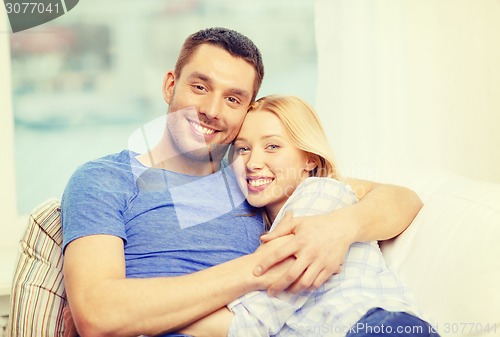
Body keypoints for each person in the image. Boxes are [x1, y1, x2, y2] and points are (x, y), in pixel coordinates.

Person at [61, 27, 423, 337]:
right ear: (171, 85)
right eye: (200, 87)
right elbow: (97, 314)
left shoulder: (254, 180)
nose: (213, 110)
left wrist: (341, 227)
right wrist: (263, 267)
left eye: (233, 98)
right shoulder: (105, 180)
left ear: (246, 109)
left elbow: (400, 199)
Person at [177, 95, 438, 336]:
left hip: (376, 326)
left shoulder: (322, 194)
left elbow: (252, 321)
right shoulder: (260, 225)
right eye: (243, 149)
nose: (253, 162)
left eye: (272, 146)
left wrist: (155, 318)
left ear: (310, 159)